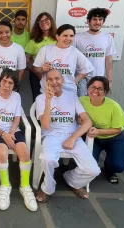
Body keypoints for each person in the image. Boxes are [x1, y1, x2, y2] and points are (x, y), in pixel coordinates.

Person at [35, 69, 100, 202]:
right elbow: (46, 126)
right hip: (51, 136)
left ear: (62, 80)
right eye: (50, 80)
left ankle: (72, 180)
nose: (54, 82)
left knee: (94, 170)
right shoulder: (41, 99)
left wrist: (72, 138)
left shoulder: (72, 96)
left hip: (72, 136)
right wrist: (48, 101)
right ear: (45, 82)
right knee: (48, 159)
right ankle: (47, 188)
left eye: (57, 78)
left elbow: (88, 121)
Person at [0, 69, 37, 212]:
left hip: (12, 131)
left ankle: (25, 186)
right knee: (2, 152)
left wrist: (11, 132)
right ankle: (5, 185)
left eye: (10, 83)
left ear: (14, 85)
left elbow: (17, 118)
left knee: (24, 152)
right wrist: (3, 134)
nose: (6, 85)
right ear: (0, 81)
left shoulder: (16, 97)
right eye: (4, 81)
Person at [80, 76, 124, 184]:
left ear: (105, 91)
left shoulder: (114, 106)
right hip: (93, 138)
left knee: (118, 165)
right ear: (88, 88)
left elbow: (117, 129)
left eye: (100, 88)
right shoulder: (81, 101)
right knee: (88, 164)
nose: (95, 91)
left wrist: (98, 131)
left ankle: (109, 169)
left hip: (114, 138)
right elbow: (75, 116)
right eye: (93, 87)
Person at [33, 24, 94, 95]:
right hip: (48, 92)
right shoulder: (46, 49)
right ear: (57, 36)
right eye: (65, 35)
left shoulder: (74, 51)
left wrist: (74, 81)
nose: (68, 38)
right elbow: (35, 69)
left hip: (69, 92)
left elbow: (87, 68)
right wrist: (42, 69)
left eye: (71, 36)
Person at [74, 8, 116, 96]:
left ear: (103, 22)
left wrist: (109, 80)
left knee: (96, 106)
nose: (97, 22)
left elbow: (108, 61)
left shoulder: (108, 37)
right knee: (82, 106)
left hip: (99, 80)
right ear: (88, 21)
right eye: (95, 19)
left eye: (100, 19)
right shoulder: (77, 37)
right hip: (82, 80)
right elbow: (71, 59)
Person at [25, 12, 57, 102]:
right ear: (38, 24)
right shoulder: (33, 41)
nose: (44, 22)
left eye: (46, 20)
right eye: (41, 21)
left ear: (51, 21)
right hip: (37, 76)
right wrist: (37, 72)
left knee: (55, 100)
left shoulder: (58, 39)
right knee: (38, 100)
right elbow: (27, 60)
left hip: (55, 75)